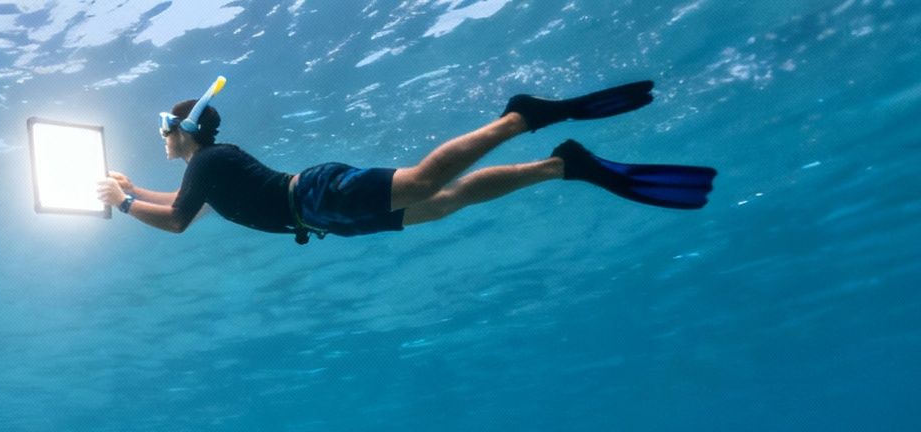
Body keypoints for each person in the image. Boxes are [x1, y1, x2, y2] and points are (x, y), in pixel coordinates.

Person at [98, 79, 716, 242]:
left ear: (184, 130)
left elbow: (179, 222)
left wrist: (124, 203)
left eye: (163, 130)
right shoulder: (201, 171)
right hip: (320, 218)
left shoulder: (205, 164)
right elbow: (186, 210)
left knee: (426, 180)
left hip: (315, 198)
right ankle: (561, 165)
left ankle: (520, 116)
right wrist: (133, 191)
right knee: (442, 203)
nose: (161, 138)